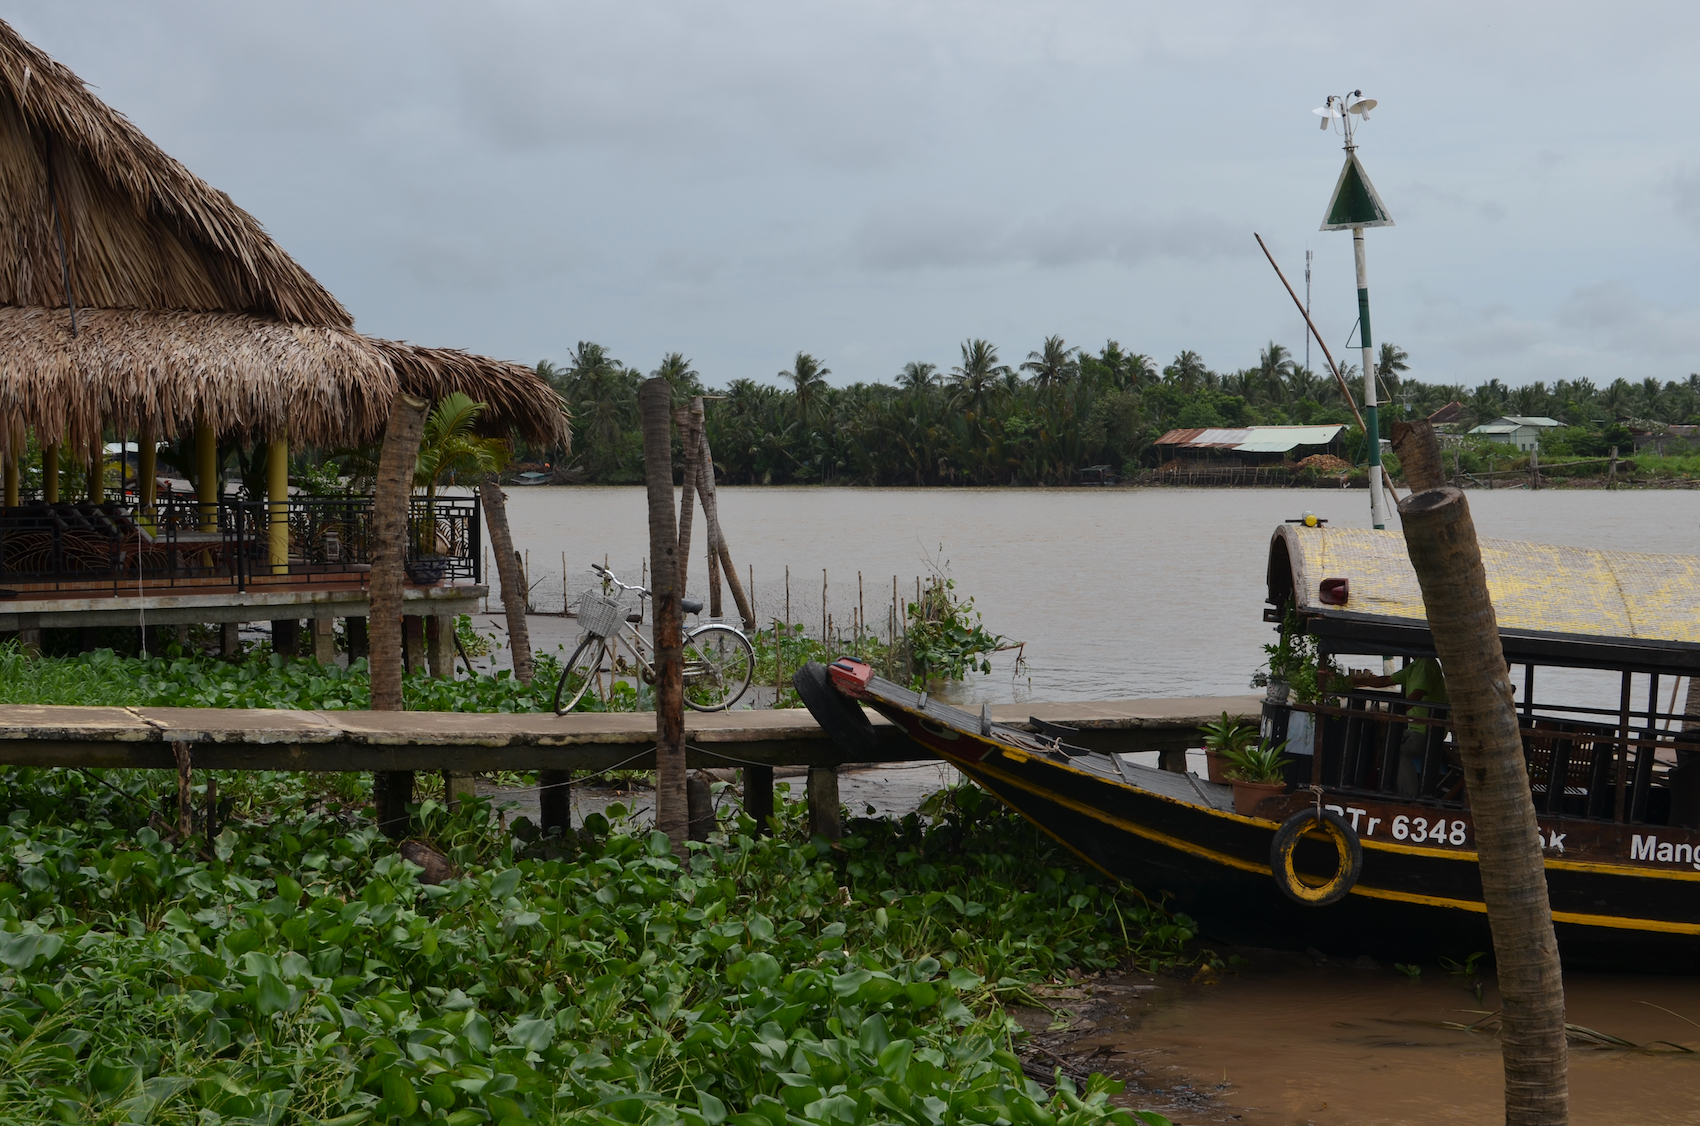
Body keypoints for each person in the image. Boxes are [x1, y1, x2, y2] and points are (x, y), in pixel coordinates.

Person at [1351, 658, 1448, 796]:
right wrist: (1356, 681)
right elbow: (1386, 681)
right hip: (1414, 728)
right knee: (1387, 749)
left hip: (1429, 730)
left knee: (1401, 753)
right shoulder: (1415, 665)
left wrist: (1393, 714)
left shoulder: (1426, 664)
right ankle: (1391, 791)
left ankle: (1410, 797)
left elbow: (1417, 694)